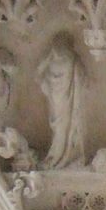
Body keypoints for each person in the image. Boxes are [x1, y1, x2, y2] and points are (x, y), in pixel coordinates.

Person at [37, 35, 87, 168]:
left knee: (62, 128)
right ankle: (56, 156)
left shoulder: (72, 60)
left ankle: (59, 156)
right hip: (56, 100)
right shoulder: (60, 60)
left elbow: (81, 77)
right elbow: (39, 75)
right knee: (59, 128)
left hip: (66, 101)